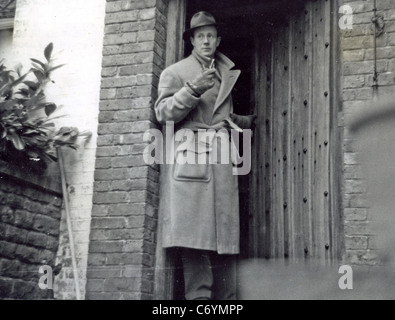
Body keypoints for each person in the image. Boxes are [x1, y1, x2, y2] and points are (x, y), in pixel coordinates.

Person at [154, 11, 255, 300]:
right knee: (194, 235)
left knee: (223, 235)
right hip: (192, 154)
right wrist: (193, 89)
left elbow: (218, 114)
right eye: (200, 36)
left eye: (211, 35)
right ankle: (198, 299)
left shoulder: (226, 71)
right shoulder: (175, 72)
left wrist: (242, 121)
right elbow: (163, 114)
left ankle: (226, 300)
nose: (206, 41)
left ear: (218, 39)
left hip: (220, 154)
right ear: (192, 41)